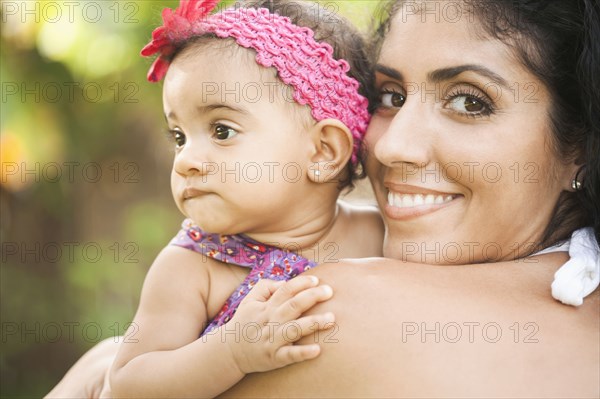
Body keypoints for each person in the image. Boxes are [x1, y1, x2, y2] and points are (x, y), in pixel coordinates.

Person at [46, 0, 600, 397]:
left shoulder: (332, 308)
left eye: (471, 102)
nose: (392, 145)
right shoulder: (197, 264)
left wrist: (102, 367)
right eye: (390, 95)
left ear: (580, 142)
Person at [105, 0, 384, 397]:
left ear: (323, 152)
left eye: (221, 131)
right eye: (179, 137)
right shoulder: (193, 266)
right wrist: (230, 352)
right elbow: (127, 385)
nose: (185, 160)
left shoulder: (379, 236)